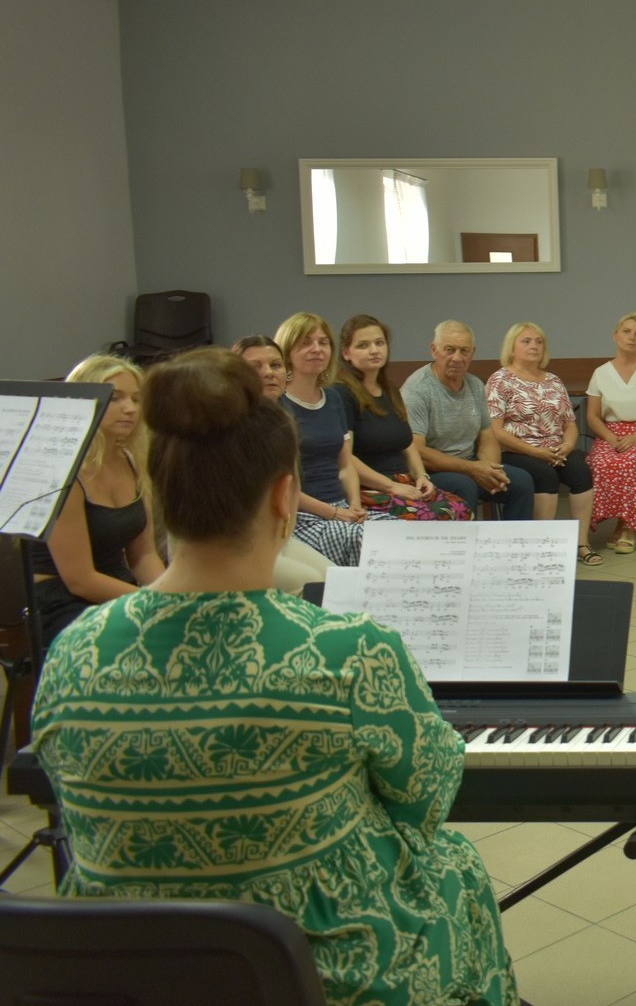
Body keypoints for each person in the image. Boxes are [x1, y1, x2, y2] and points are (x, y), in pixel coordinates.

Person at [29, 348, 517, 1005]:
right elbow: (426, 799)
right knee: (455, 865)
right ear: (285, 497)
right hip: (317, 971)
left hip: (128, 974)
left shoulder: (73, 654)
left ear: (160, 496)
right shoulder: (350, 651)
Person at [26, 355, 164, 645]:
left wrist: (170, 597)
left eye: (136, 399)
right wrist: (153, 603)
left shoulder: (131, 460)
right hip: (63, 600)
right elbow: (80, 579)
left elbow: (144, 555)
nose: (130, 409)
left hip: (118, 589)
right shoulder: (64, 471)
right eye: (115, 398)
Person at [273, 312, 395, 566]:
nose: (317, 349)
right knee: (364, 541)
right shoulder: (277, 406)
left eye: (323, 342)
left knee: (398, 532)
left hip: (342, 508)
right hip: (301, 516)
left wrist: (355, 506)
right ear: (287, 352)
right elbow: (284, 486)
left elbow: (345, 465)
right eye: (306, 343)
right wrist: (334, 513)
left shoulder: (334, 398)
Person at [333, 314, 471, 522]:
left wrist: (422, 476)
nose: (374, 350)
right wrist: (391, 486)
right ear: (346, 353)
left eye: (379, 343)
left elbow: (407, 444)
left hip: (403, 482)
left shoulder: (389, 390)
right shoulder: (341, 394)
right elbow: (345, 459)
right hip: (368, 487)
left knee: (461, 509)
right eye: (363, 345)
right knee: (435, 517)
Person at [486, 321, 600, 564]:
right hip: (516, 450)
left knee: (581, 471)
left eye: (539, 342)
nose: (534, 346)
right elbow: (496, 431)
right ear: (512, 347)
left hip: (555, 449)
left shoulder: (553, 381)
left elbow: (570, 424)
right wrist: (535, 452)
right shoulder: (500, 380)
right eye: (526, 341)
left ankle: (582, 544)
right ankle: (542, 546)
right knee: (545, 475)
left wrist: (567, 446)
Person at [401, 320, 534, 521]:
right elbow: (417, 451)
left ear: (472, 353)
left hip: (470, 465)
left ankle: (512, 541)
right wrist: (473, 469)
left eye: (464, 351)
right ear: (434, 350)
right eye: (449, 350)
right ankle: (465, 542)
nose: (457, 358)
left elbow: (487, 436)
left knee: (521, 481)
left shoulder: (475, 385)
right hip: (430, 472)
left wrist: (489, 469)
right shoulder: (417, 390)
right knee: (465, 486)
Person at [231, 336, 334, 594]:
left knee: (334, 577)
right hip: (236, 541)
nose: (268, 373)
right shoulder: (230, 426)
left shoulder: (283, 419)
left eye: (275, 365)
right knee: (310, 583)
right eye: (255, 367)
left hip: (278, 535)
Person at [584, 311, 636, 553]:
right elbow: (592, 416)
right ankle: (617, 522)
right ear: (615, 336)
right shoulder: (601, 373)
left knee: (628, 463)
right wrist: (610, 438)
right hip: (610, 433)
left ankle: (629, 527)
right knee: (599, 462)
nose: (632, 337)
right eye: (626, 332)